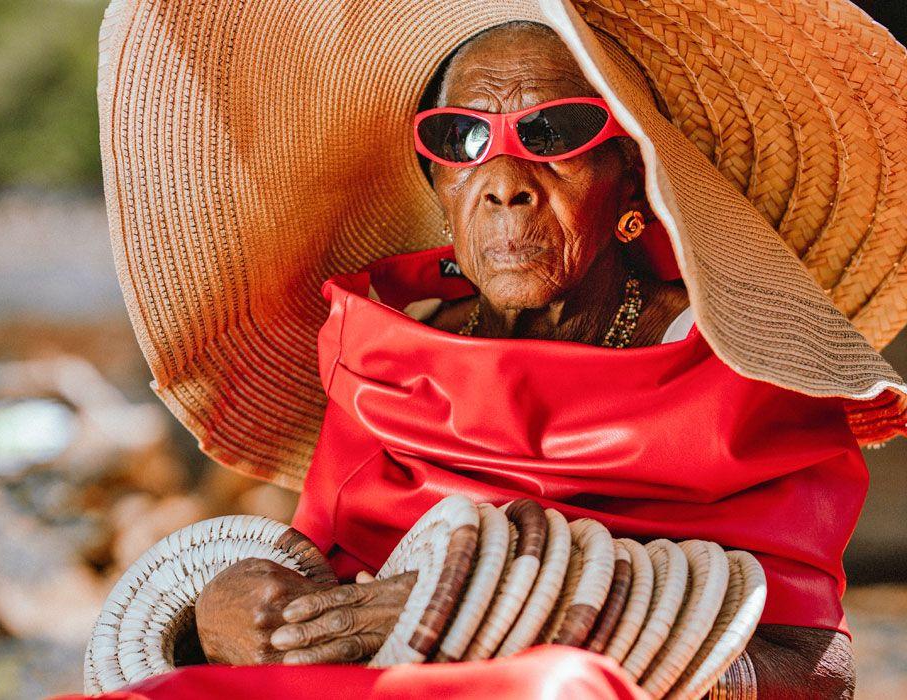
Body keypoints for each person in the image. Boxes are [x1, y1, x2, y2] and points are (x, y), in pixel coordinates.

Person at [94, 0, 907, 697]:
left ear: (631, 176)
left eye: (553, 131)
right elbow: (321, 594)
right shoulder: (383, 355)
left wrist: (521, 624)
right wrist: (213, 622)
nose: (504, 176)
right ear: (438, 188)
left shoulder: (738, 370)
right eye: (460, 137)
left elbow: (817, 670)